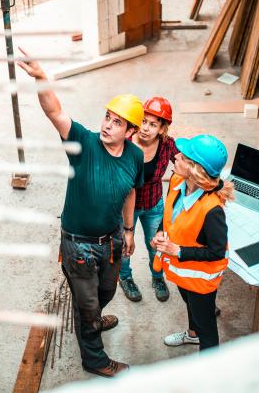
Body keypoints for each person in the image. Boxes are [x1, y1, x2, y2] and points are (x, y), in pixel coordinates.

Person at [17, 49, 144, 377]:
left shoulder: (134, 156)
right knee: (86, 302)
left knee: (107, 291)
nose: (107, 125)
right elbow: (55, 112)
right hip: (79, 245)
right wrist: (41, 78)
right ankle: (95, 358)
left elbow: (131, 190)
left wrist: (129, 230)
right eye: (107, 117)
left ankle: (93, 320)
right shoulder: (84, 143)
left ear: (130, 132)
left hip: (113, 239)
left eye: (117, 123)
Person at [150, 134, 234, 351]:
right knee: (190, 306)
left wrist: (178, 251)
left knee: (207, 328)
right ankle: (192, 335)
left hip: (200, 280)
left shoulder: (212, 210)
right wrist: (161, 233)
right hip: (183, 272)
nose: (176, 156)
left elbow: (217, 252)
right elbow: (170, 215)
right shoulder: (178, 181)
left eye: (183, 156)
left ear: (195, 169)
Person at [118, 97, 178, 303]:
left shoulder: (167, 145)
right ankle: (125, 278)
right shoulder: (126, 142)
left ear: (162, 129)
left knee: (156, 245)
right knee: (125, 246)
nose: (145, 128)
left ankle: (158, 277)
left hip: (154, 204)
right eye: (143, 121)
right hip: (127, 207)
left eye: (153, 124)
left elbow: (184, 163)